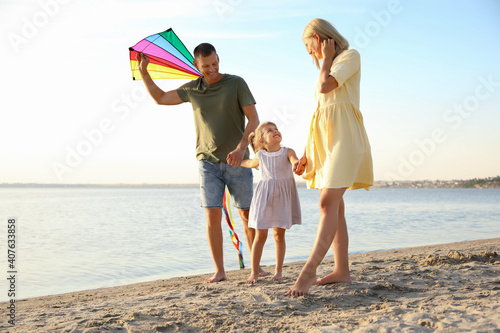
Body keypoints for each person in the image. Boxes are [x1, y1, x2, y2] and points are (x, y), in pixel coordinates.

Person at [136, 43, 260, 283]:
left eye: (214, 63)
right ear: (196, 65)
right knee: (211, 216)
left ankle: (256, 268)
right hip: (207, 163)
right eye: (206, 66)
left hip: (238, 161)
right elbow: (160, 98)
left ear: (218, 58)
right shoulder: (193, 88)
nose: (212, 69)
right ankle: (220, 271)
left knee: (247, 216)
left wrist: (242, 147)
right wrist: (144, 73)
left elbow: (254, 118)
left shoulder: (236, 83)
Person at [285, 18, 373, 296]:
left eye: (311, 47)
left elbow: (327, 88)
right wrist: (309, 154)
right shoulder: (328, 67)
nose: (310, 54)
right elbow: (321, 116)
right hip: (327, 143)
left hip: (346, 140)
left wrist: (325, 60)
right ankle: (341, 271)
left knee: (326, 203)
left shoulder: (349, 57)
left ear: (323, 39)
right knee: (336, 207)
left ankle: (308, 271)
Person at [240, 122, 302, 283]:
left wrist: (297, 164)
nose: (276, 131)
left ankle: (278, 271)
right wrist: (238, 161)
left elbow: (294, 160)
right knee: (260, 235)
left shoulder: (288, 151)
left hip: (283, 198)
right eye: (270, 130)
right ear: (262, 141)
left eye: (276, 129)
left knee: (278, 235)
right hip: (265, 198)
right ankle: (254, 272)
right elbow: (249, 163)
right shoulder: (261, 156)